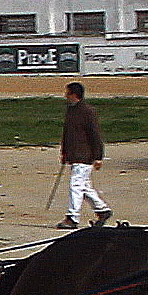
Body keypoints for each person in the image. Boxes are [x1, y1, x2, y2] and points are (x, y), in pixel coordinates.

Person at [59, 82, 111, 228]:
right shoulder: (71, 110)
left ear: (74, 95)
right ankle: (102, 210)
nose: (65, 95)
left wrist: (98, 156)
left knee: (75, 185)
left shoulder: (88, 112)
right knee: (84, 186)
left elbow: (95, 135)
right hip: (74, 155)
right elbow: (67, 134)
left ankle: (72, 218)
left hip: (84, 156)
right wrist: (64, 153)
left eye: (67, 93)